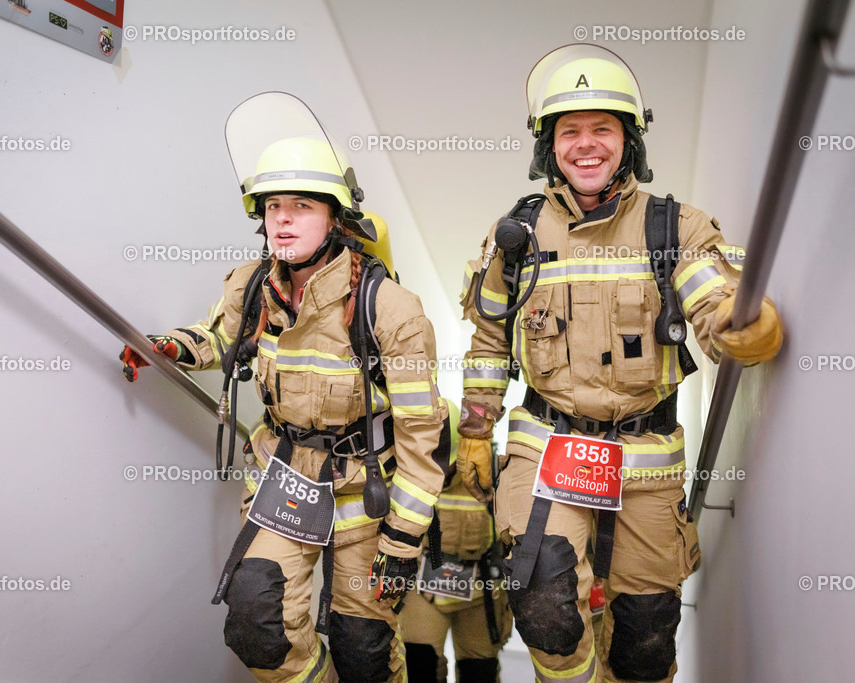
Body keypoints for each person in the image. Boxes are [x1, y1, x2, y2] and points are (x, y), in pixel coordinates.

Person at [455, 45, 783, 682]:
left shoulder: (674, 228)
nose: (585, 145)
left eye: (601, 129)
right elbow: (489, 342)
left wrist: (745, 326)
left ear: (628, 140)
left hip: (646, 458)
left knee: (645, 639)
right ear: (547, 145)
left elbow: (715, 300)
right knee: (544, 603)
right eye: (568, 131)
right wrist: (473, 432)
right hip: (548, 446)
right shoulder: (513, 239)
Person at [120, 92, 450, 682]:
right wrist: (167, 347)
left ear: (336, 218)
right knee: (257, 627)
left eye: (302, 205)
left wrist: (401, 543)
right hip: (284, 485)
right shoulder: (251, 286)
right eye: (273, 206)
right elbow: (219, 336)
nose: (283, 220)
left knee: (365, 650)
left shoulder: (389, 308)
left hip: (366, 501)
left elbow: (424, 441)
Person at [400, 403, 512, 683]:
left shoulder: (494, 473)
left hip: (480, 591)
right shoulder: (410, 476)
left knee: (480, 673)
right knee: (419, 667)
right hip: (424, 590)